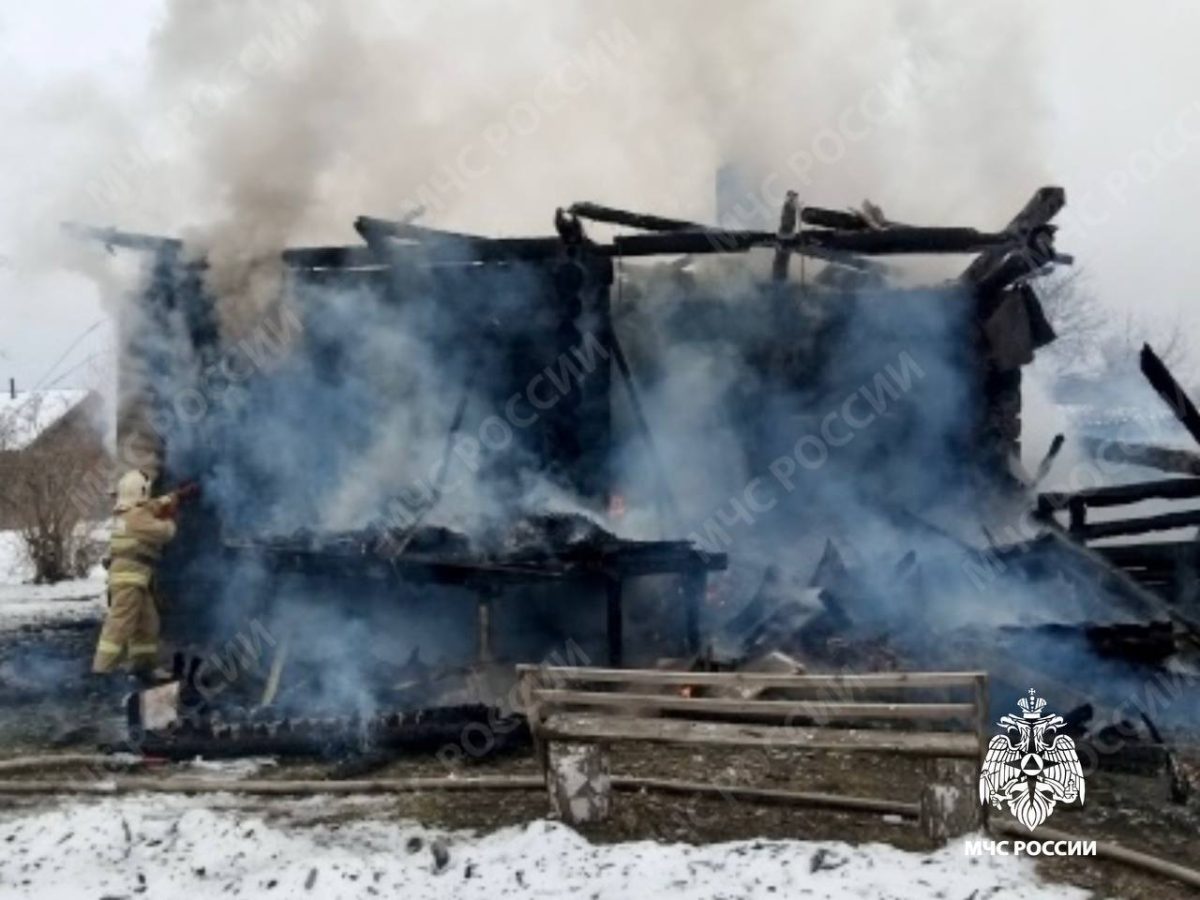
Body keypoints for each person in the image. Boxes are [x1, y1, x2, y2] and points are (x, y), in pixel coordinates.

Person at [92, 469, 198, 681]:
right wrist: (172, 515)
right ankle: (101, 671)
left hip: (136, 576)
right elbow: (167, 532)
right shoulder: (136, 518)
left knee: (148, 623)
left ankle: (142, 666)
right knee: (120, 624)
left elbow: (153, 505)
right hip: (129, 577)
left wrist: (177, 495)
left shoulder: (129, 512)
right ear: (140, 492)